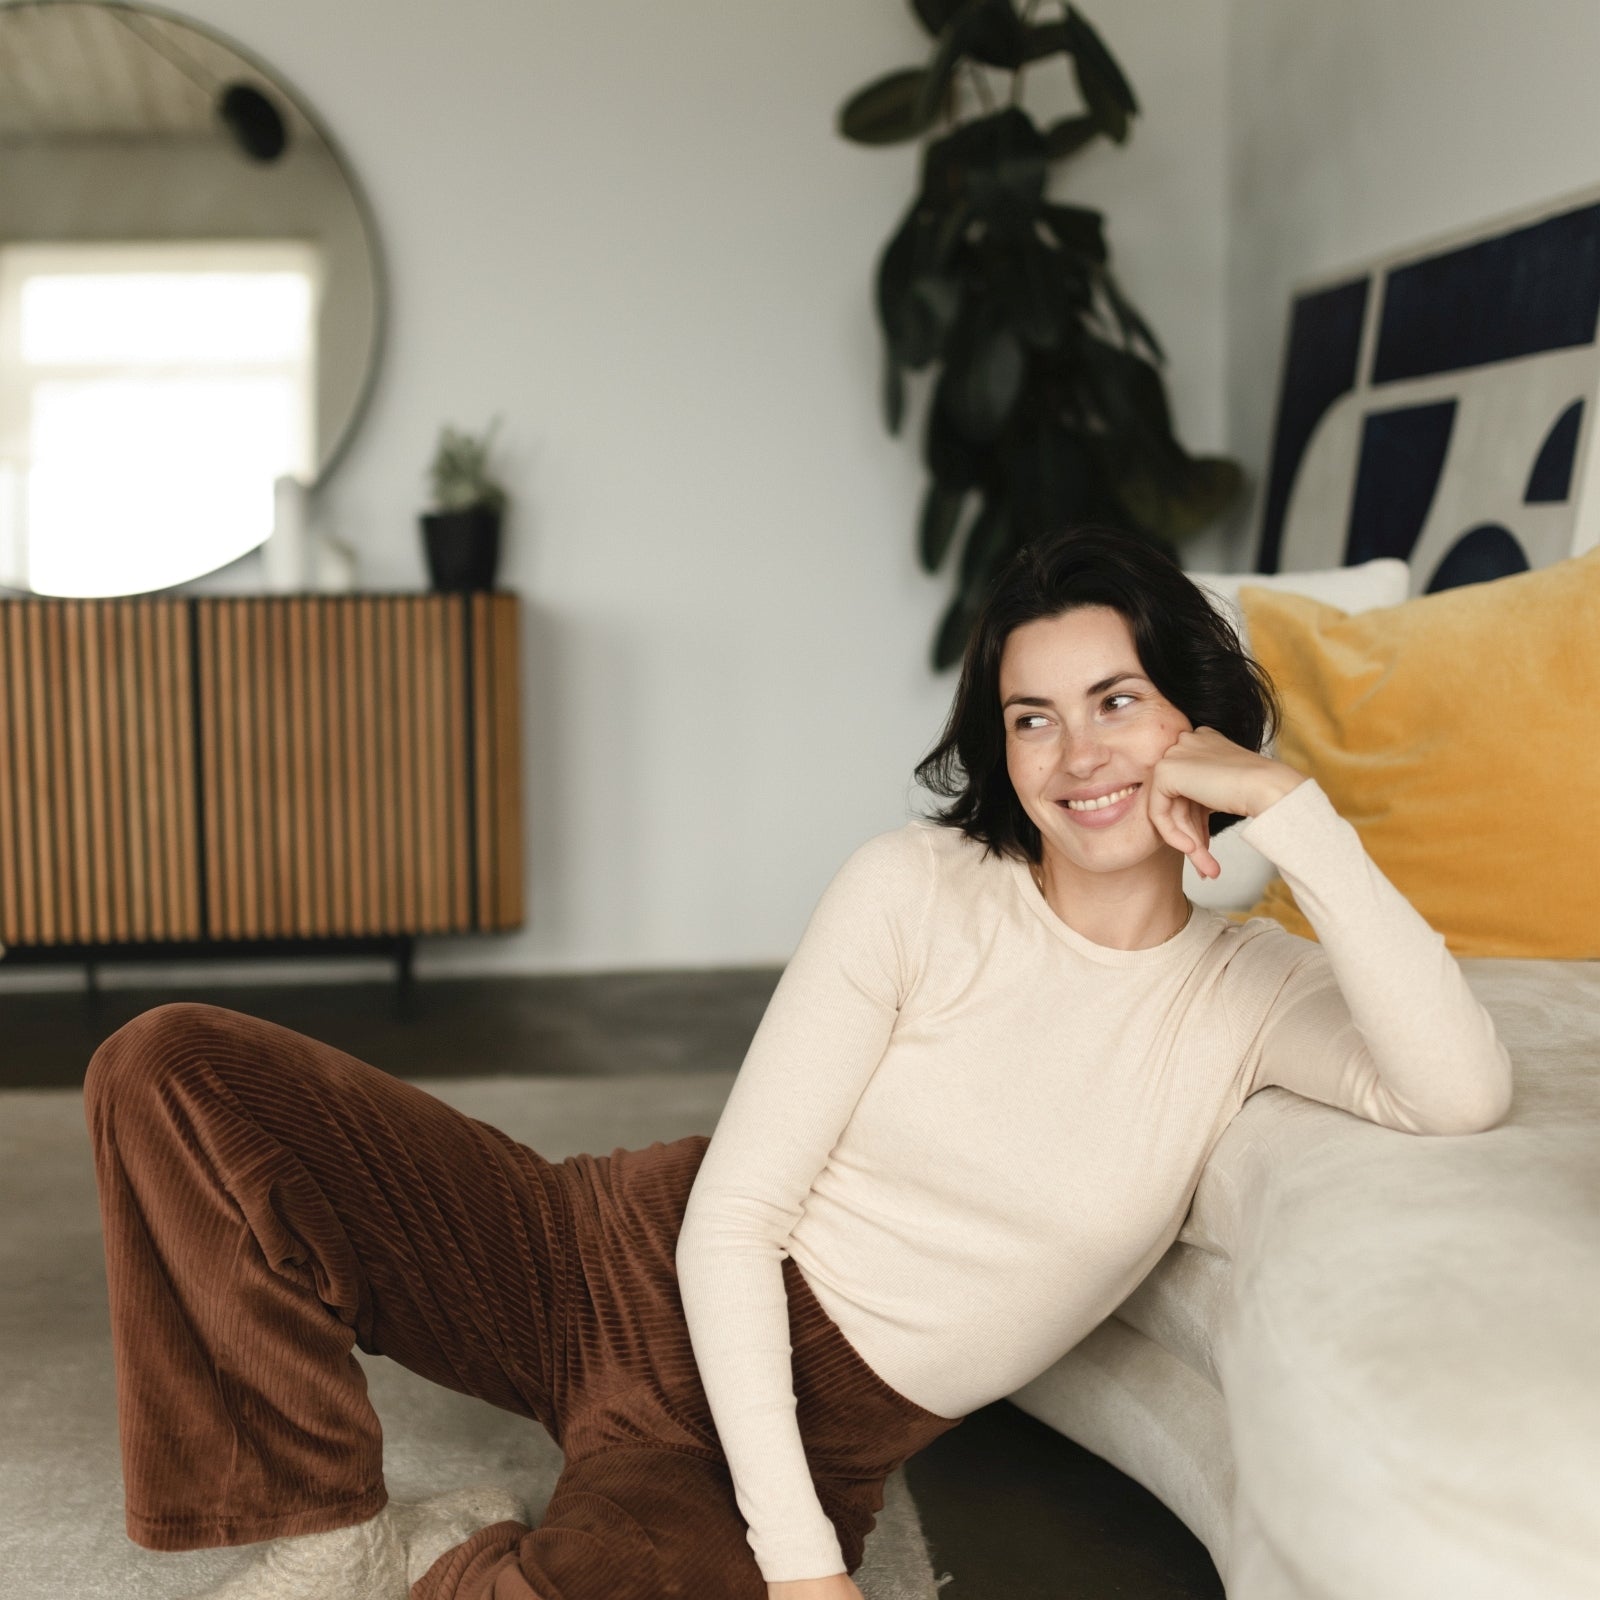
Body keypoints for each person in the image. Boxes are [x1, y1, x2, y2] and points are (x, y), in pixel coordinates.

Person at [83, 526, 1513, 1600]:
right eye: (1032, 716)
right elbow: (734, 1224)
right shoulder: (918, 887)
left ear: (1194, 718)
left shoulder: (1248, 995)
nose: (1077, 755)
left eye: (1118, 702)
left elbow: (1460, 1089)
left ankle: (451, 1558)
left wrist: (1296, 816)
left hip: (786, 1438)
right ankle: (332, 1528)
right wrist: (808, 1571)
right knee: (172, 1067)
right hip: (606, 1260)